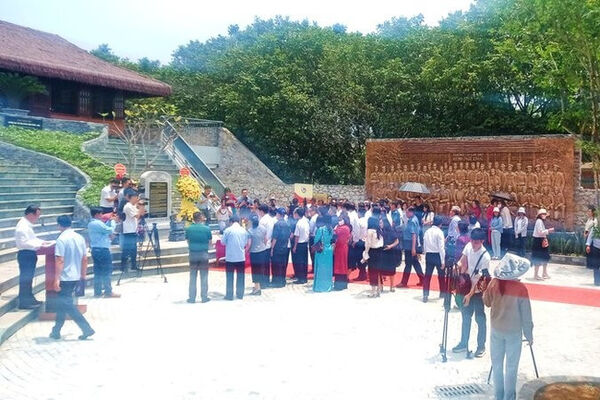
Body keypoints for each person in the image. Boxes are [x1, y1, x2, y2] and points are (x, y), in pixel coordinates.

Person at [484, 265, 533, 400]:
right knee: (511, 367)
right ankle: (509, 397)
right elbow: (526, 314)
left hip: (496, 329)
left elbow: (487, 302)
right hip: (513, 332)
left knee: (497, 365)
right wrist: (529, 335)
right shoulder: (521, 288)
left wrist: (486, 290)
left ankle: (498, 396)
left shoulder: (494, 283)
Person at [49, 216, 95, 340]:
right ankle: (56, 331)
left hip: (65, 276)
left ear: (59, 225)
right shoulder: (79, 238)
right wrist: (83, 275)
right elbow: (84, 258)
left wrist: (56, 279)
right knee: (62, 304)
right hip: (76, 275)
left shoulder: (61, 239)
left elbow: (60, 260)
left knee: (67, 304)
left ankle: (86, 328)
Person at [453, 228, 490, 358]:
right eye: (472, 241)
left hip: (478, 290)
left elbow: (482, 280)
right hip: (467, 285)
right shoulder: (468, 246)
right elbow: (462, 261)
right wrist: (457, 267)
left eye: (476, 242)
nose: (474, 244)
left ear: (482, 241)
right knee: (465, 317)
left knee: (480, 319)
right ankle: (463, 343)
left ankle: (481, 346)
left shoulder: (485, 257)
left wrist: (470, 295)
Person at [14, 205, 52, 309]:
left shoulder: (27, 225)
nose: (37, 218)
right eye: (37, 215)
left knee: (29, 278)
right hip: (26, 254)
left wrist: (43, 242)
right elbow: (24, 243)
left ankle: (29, 298)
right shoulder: (22, 226)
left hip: (29, 254)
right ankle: (24, 302)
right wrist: (40, 245)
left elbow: (32, 239)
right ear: (31, 214)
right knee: (26, 279)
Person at [88, 207, 119, 298]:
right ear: (97, 214)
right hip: (102, 250)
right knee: (107, 271)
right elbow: (109, 230)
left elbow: (105, 230)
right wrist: (113, 222)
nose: (102, 215)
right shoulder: (97, 223)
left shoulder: (93, 224)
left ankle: (97, 292)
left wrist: (109, 221)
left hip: (96, 249)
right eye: (101, 214)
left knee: (98, 271)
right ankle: (108, 291)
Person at [185, 212, 212, 303]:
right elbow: (210, 242)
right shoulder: (207, 229)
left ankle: (192, 297)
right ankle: (204, 297)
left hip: (193, 253)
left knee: (193, 276)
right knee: (204, 276)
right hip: (203, 254)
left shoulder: (189, 229)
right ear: (201, 218)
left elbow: (188, 241)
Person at [222, 215, 249, 300]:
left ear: (231, 222)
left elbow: (223, 242)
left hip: (230, 257)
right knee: (240, 276)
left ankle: (229, 295)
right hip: (240, 256)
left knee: (230, 277)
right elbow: (245, 243)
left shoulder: (228, 230)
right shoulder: (243, 230)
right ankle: (240, 294)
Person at [398, 207, 424, 288]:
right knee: (415, 263)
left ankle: (404, 282)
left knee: (408, 264)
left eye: (407, 212)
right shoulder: (413, 219)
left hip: (410, 245)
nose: (406, 214)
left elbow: (413, 235)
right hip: (410, 244)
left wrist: (413, 248)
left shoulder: (412, 221)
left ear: (411, 212)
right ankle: (423, 279)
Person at [422, 215, 445, 303]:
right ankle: (442, 292)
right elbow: (441, 248)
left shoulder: (427, 231)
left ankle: (425, 294)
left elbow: (424, 244)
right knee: (441, 275)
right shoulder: (440, 232)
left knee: (427, 276)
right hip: (437, 255)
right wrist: (443, 261)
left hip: (429, 254)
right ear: (440, 224)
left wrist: (425, 253)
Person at [363, 215, 384, 297]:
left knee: (372, 272)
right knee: (378, 271)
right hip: (380, 251)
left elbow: (368, 243)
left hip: (373, 251)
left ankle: (373, 291)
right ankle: (379, 289)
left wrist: (366, 253)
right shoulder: (379, 230)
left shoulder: (370, 231)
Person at [121, 191, 142, 272]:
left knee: (134, 250)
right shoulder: (128, 206)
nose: (137, 199)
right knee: (127, 249)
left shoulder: (133, 206)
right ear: (131, 197)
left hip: (133, 230)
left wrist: (140, 208)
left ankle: (134, 265)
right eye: (136, 197)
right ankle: (123, 266)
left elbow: (141, 215)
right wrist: (140, 208)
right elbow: (137, 216)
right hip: (129, 231)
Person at [248, 214, 268, 295]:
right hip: (262, 251)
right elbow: (266, 239)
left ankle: (257, 288)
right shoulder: (263, 229)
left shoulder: (250, 231)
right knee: (261, 268)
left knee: (255, 270)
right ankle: (261, 284)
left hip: (254, 252)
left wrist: (246, 251)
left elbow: (249, 244)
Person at [271, 207, 291, 288]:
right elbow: (289, 235)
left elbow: (275, 238)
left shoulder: (277, 224)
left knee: (276, 265)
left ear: (279, 214)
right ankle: (282, 280)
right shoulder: (287, 224)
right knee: (283, 265)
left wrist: (272, 248)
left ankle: (277, 281)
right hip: (285, 246)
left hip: (277, 247)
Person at [313, 215, 334, 292]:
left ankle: (320, 286)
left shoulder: (321, 229)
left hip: (321, 250)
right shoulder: (331, 229)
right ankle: (328, 286)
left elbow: (316, 240)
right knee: (328, 269)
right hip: (329, 250)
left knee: (320, 268)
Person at [531, 209, 554, 281]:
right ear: (540, 215)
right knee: (537, 257)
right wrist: (548, 230)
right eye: (543, 214)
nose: (544, 215)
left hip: (542, 240)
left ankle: (544, 273)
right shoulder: (539, 221)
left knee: (545, 257)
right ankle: (536, 275)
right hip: (538, 241)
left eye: (545, 214)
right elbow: (540, 232)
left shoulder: (541, 221)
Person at [380, 217, 400, 291]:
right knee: (380, 270)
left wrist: (390, 246)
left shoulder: (391, 231)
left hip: (390, 252)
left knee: (391, 270)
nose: (380, 224)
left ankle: (392, 286)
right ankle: (381, 285)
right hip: (381, 251)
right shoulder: (379, 231)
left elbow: (397, 241)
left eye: (381, 223)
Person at [292, 207, 310, 284]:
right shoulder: (306, 221)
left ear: (297, 214)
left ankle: (301, 278)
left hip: (300, 243)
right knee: (304, 261)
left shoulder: (299, 223)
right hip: (305, 243)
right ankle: (304, 277)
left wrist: (295, 246)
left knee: (299, 262)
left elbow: (297, 236)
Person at [257, 204, 274, 285]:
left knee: (262, 265)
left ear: (261, 211)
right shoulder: (271, 219)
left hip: (263, 244)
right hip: (269, 243)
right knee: (267, 264)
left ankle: (263, 282)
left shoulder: (262, 221)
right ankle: (266, 281)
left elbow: (261, 233)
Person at [333, 215, 351, 290]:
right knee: (343, 265)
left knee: (339, 266)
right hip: (343, 247)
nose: (339, 221)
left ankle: (339, 284)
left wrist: (335, 228)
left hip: (340, 248)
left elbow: (335, 233)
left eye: (340, 219)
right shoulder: (347, 228)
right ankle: (343, 283)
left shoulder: (342, 228)